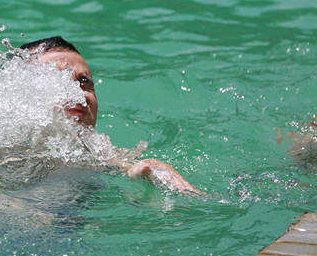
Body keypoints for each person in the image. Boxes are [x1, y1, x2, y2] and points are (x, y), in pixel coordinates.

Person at [19, 36, 204, 195]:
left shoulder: (99, 155)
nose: (79, 94)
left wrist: (151, 167)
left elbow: (129, 166)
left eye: (85, 83)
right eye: (60, 81)